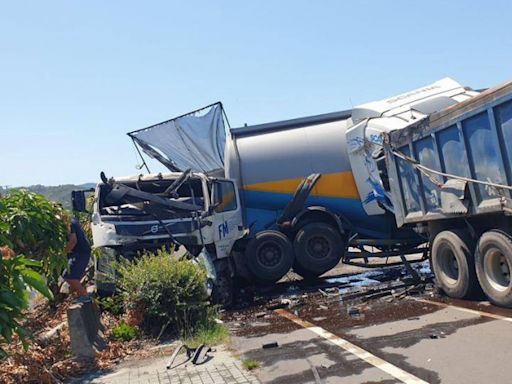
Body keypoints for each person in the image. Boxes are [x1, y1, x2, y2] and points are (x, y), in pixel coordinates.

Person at [63, 216, 91, 301]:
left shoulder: (69, 224)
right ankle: (80, 296)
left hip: (81, 253)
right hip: (80, 252)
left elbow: (73, 241)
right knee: (72, 275)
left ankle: (85, 296)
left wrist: (62, 253)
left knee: (69, 276)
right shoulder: (72, 220)